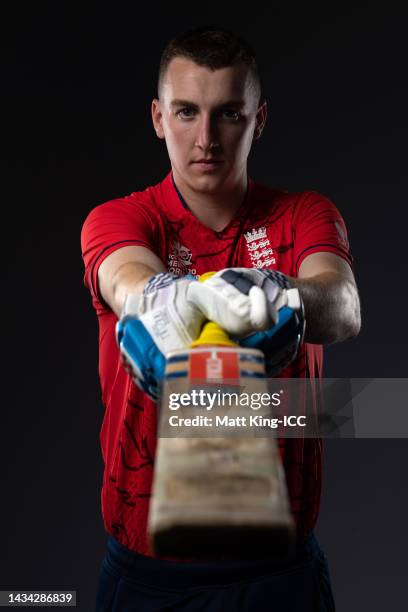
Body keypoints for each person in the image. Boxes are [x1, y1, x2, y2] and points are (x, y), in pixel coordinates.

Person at [81, 25, 361, 611]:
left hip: (279, 568)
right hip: (147, 570)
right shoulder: (120, 217)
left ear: (258, 119)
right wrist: (162, 297)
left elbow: (342, 305)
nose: (205, 137)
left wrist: (280, 294)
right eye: (187, 112)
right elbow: (124, 276)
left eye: (228, 114)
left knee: (373, 406)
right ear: (159, 118)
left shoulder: (302, 214)